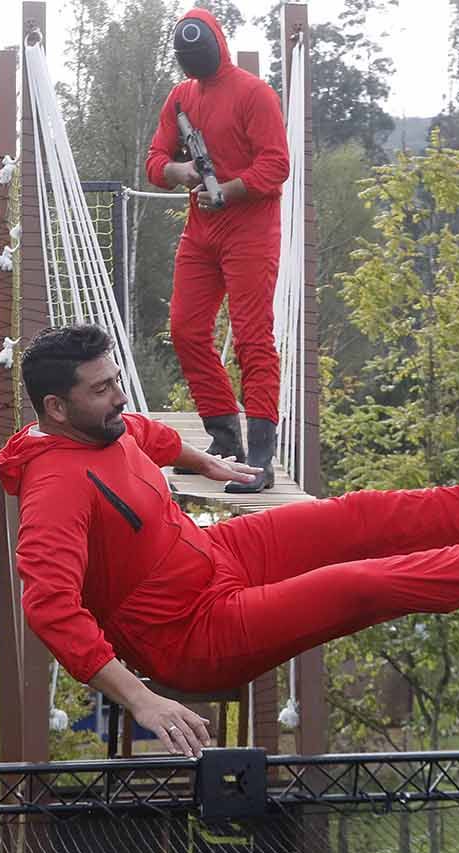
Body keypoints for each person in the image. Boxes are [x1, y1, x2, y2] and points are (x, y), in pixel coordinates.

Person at [0, 325, 459, 758]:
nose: (119, 397)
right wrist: (141, 701)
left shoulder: (100, 424)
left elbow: (143, 433)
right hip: (191, 634)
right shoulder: (53, 488)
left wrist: (203, 462)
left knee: (350, 517)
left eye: (114, 381)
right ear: (55, 407)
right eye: (101, 389)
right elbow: (49, 607)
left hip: (213, 556)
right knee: (355, 585)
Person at [144, 8, 289, 494]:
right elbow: (155, 161)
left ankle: (262, 457)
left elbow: (276, 166)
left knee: (252, 338)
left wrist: (227, 188)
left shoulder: (254, 93)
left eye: (197, 57)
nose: (193, 67)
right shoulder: (181, 96)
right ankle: (226, 439)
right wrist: (179, 173)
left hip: (251, 231)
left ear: (215, 47)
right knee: (185, 330)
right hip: (202, 231)